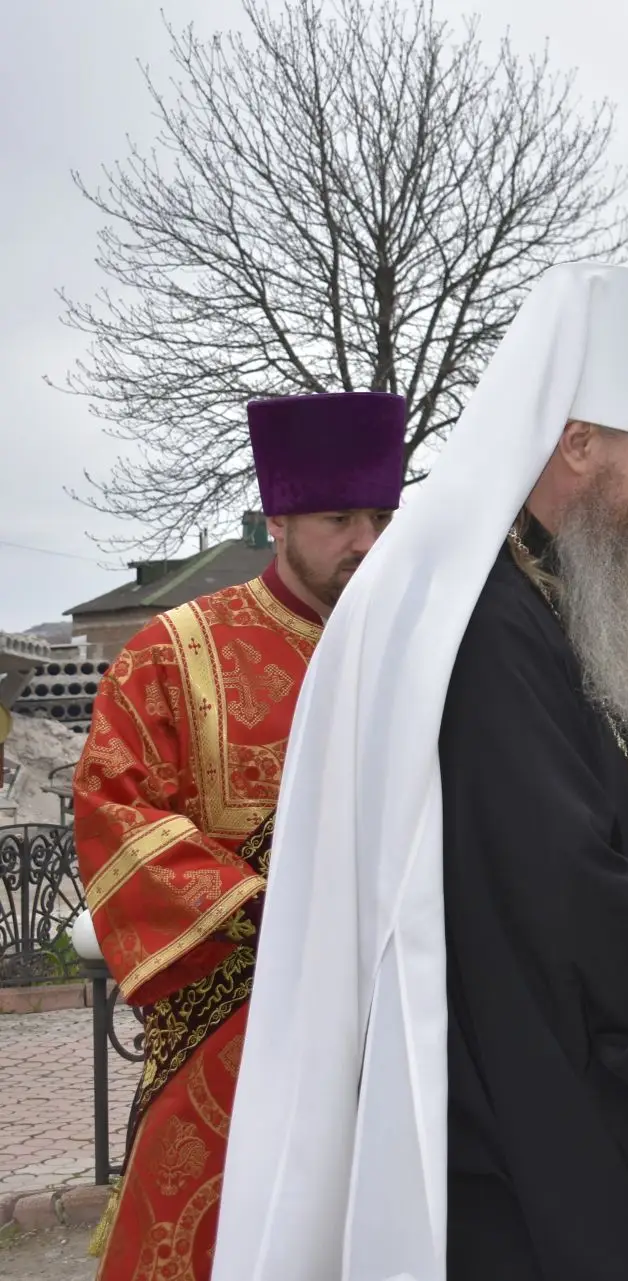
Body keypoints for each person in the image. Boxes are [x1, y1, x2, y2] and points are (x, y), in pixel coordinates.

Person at [214, 265, 628, 1281]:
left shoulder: (525, 594)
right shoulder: (484, 619)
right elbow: (563, 902)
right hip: (505, 1141)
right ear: (578, 447)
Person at [73, 390, 406, 1281]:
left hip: (396, 1027)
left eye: (382, 514)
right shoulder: (172, 651)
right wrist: (275, 910)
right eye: (340, 517)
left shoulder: (419, 652)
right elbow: (115, 807)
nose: (366, 541)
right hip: (232, 1023)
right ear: (278, 516)